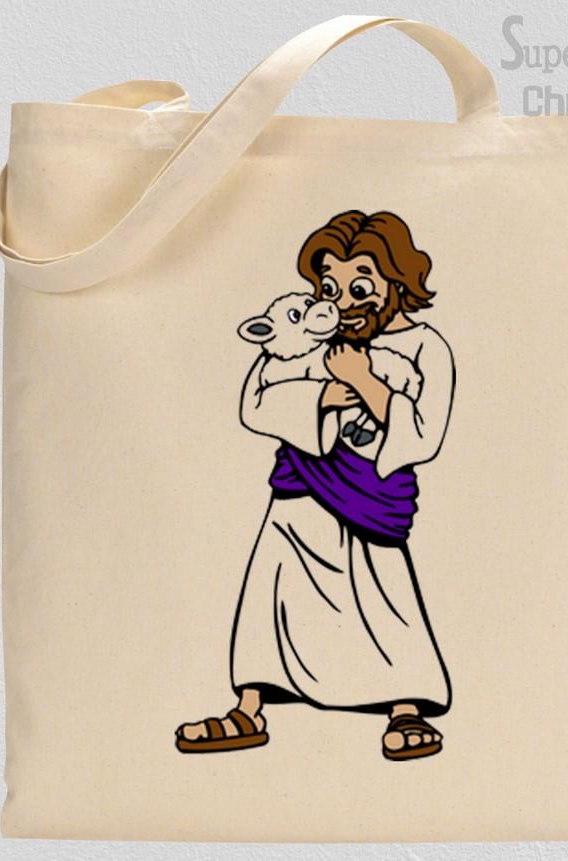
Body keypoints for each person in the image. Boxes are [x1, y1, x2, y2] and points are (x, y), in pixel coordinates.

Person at [175, 211, 456, 760]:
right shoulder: (307, 336)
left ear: (397, 282)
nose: (343, 302)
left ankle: (405, 706)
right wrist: (323, 397)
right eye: (330, 288)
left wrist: (363, 381)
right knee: (273, 593)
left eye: (360, 287)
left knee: (382, 597)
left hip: (372, 502)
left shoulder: (427, 347)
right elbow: (256, 402)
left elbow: (424, 434)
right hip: (299, 495)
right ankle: (249, 707)